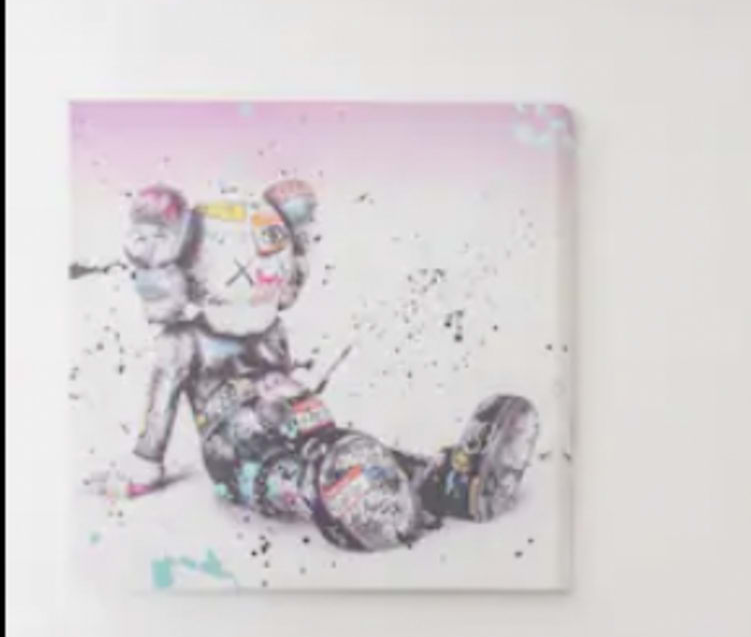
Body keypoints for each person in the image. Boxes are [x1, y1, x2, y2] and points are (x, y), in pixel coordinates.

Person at [81, 177, 539, 551]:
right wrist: (144, 464)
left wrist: (293, 403)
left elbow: (278, 376)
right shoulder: (182, 343)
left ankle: (451, 483)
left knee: (351, 450)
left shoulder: (268, 329)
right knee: (298, 475)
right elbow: (160, 412)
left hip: (305, 426)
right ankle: (333, 497)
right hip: (241, 453)